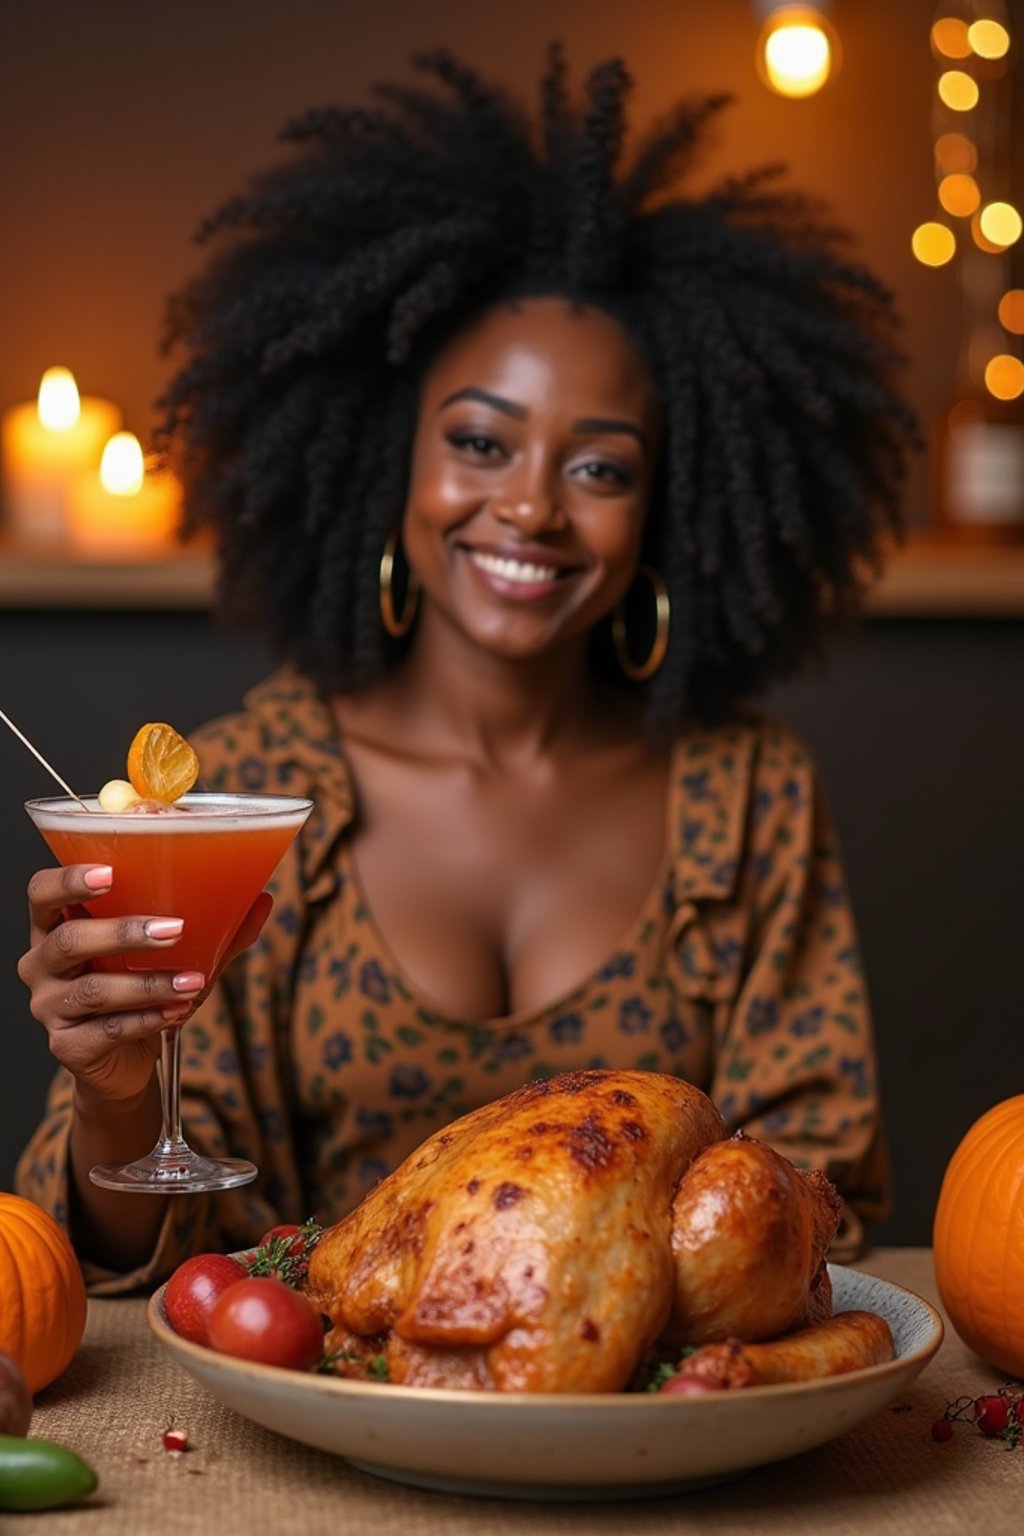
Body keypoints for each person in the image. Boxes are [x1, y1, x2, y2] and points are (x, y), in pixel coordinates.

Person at [16, 48, 915, 1292]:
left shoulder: (745, 796)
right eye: (481, 441)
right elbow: (131, 1261)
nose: (532, 507)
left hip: (639, 1420)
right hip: (317, 1419)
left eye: (599, 467)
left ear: (666, 508)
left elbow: (812, 1203)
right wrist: (114, 1093)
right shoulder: (254, 789)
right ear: (390, 458)